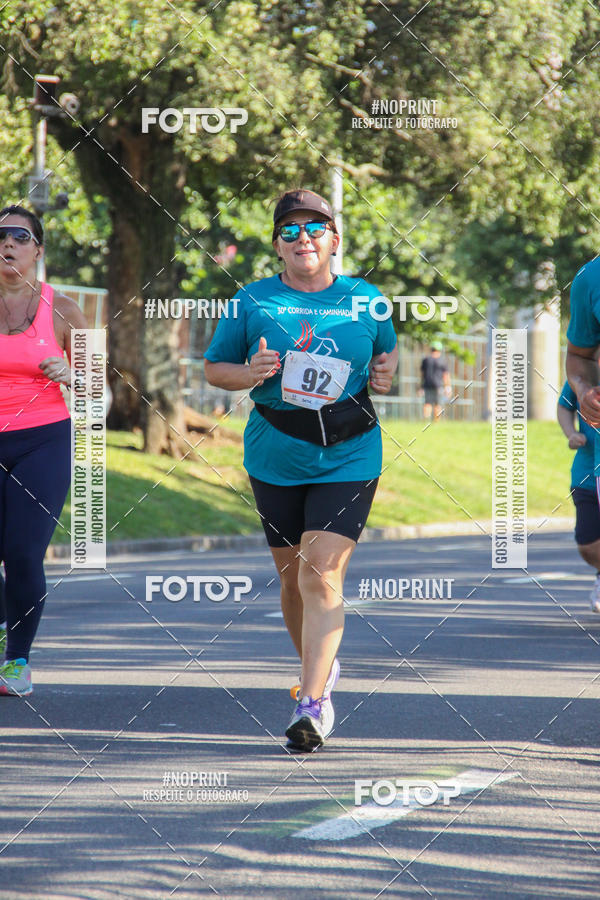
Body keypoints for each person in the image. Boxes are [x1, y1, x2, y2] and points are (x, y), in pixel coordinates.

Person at [204, 188, 398, 751]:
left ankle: (309, 704)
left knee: (319, 572)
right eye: (290, 230)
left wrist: (384, 377)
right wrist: (250, 371)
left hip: (350, 451)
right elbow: (216, 370)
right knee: (291, 580)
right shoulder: (251, 301)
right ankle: (321, 667)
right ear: (277, 246)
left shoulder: (368, 300)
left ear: (334, 241)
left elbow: (384, 357)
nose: (303, 238)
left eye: (315, 228)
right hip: (276, 453)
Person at [0, 205, 87, 696]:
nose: (8, 244)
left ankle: (17, 661)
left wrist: (74, 376)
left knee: (24, 552)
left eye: (19, 236)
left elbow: (101, 384)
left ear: (37, 250)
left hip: (43, 438)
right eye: (1, 235)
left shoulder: (63, 308)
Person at [557, 380, 600, 612]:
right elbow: (564, 405)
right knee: (587, 543)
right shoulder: (584, 371)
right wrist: (571, 433)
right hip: (587, 471)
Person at [419, 341, 451, 420]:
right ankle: (436, 422)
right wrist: (448, 386)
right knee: (438, 404)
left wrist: (421, 386)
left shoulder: (426, 360)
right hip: (438, 386)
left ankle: (426, 421)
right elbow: (446, 375)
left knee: (427, 403)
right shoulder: (442, 361)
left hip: (427, 385)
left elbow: (422, 375)